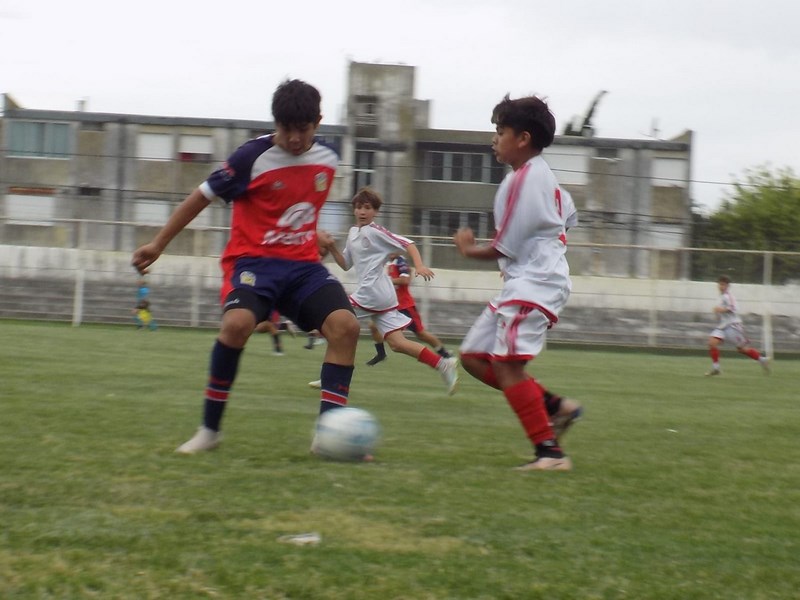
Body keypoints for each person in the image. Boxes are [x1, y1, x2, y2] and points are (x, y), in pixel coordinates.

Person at [131, 79, 361, 455]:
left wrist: (311, 233)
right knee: (237, 325)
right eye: (287, 130)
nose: (296, 139)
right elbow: (200, 197)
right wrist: (158, 244)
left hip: (302, 268)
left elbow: (296, 206)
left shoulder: (329, 159)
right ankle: (210, 431)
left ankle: (328, 437)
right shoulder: (249, 158)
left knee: (346, 327)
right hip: (253, 263)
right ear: (276, 124)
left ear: (317, 123)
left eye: (303, 130)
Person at [453, 93, 572, 471]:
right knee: (473, 356)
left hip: (534, 284)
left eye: (500, 131)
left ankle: (550, 454)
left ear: (522, 138)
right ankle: (556, 408)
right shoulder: (542, 177)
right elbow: (569, 216)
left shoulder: (525, 178)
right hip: (525, 281)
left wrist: (469, 250)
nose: (495, 138)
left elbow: (503, 244)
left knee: (507, 367)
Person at [323, 187, 459, 395]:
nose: (362, 211)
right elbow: (345, 264)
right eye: (358, 207)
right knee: (397, 343)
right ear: (354, 210)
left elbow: (408, 243)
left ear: (375, 211)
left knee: (336, 323)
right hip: (379, 296)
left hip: (373, 293)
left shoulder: (375, 231)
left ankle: (331, 374)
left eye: (367, 208)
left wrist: (420, 265)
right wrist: (332, 248)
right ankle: (442, 364)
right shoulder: (353, 233)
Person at [365, 254, 454, 366]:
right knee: (373, 326)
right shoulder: (388, 263)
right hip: (392, 305)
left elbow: (405, 280)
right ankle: (381, 354)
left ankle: (445, 354)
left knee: (420, 333)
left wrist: (385, 281)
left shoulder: (401, 262)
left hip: (405, 306)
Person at [705, 275, 770, 376]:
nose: (721, 286)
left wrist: (720, 310)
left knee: (741, 349)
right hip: (722, 326)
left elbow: (733, 308)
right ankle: (716, 368)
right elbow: (721, 311)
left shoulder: (729, 296)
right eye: (719, 284)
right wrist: (717, 313)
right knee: (712, 343)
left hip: (733, 326)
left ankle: (762, 360)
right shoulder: (720, 297)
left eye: (723, 284)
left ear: (727, 286)